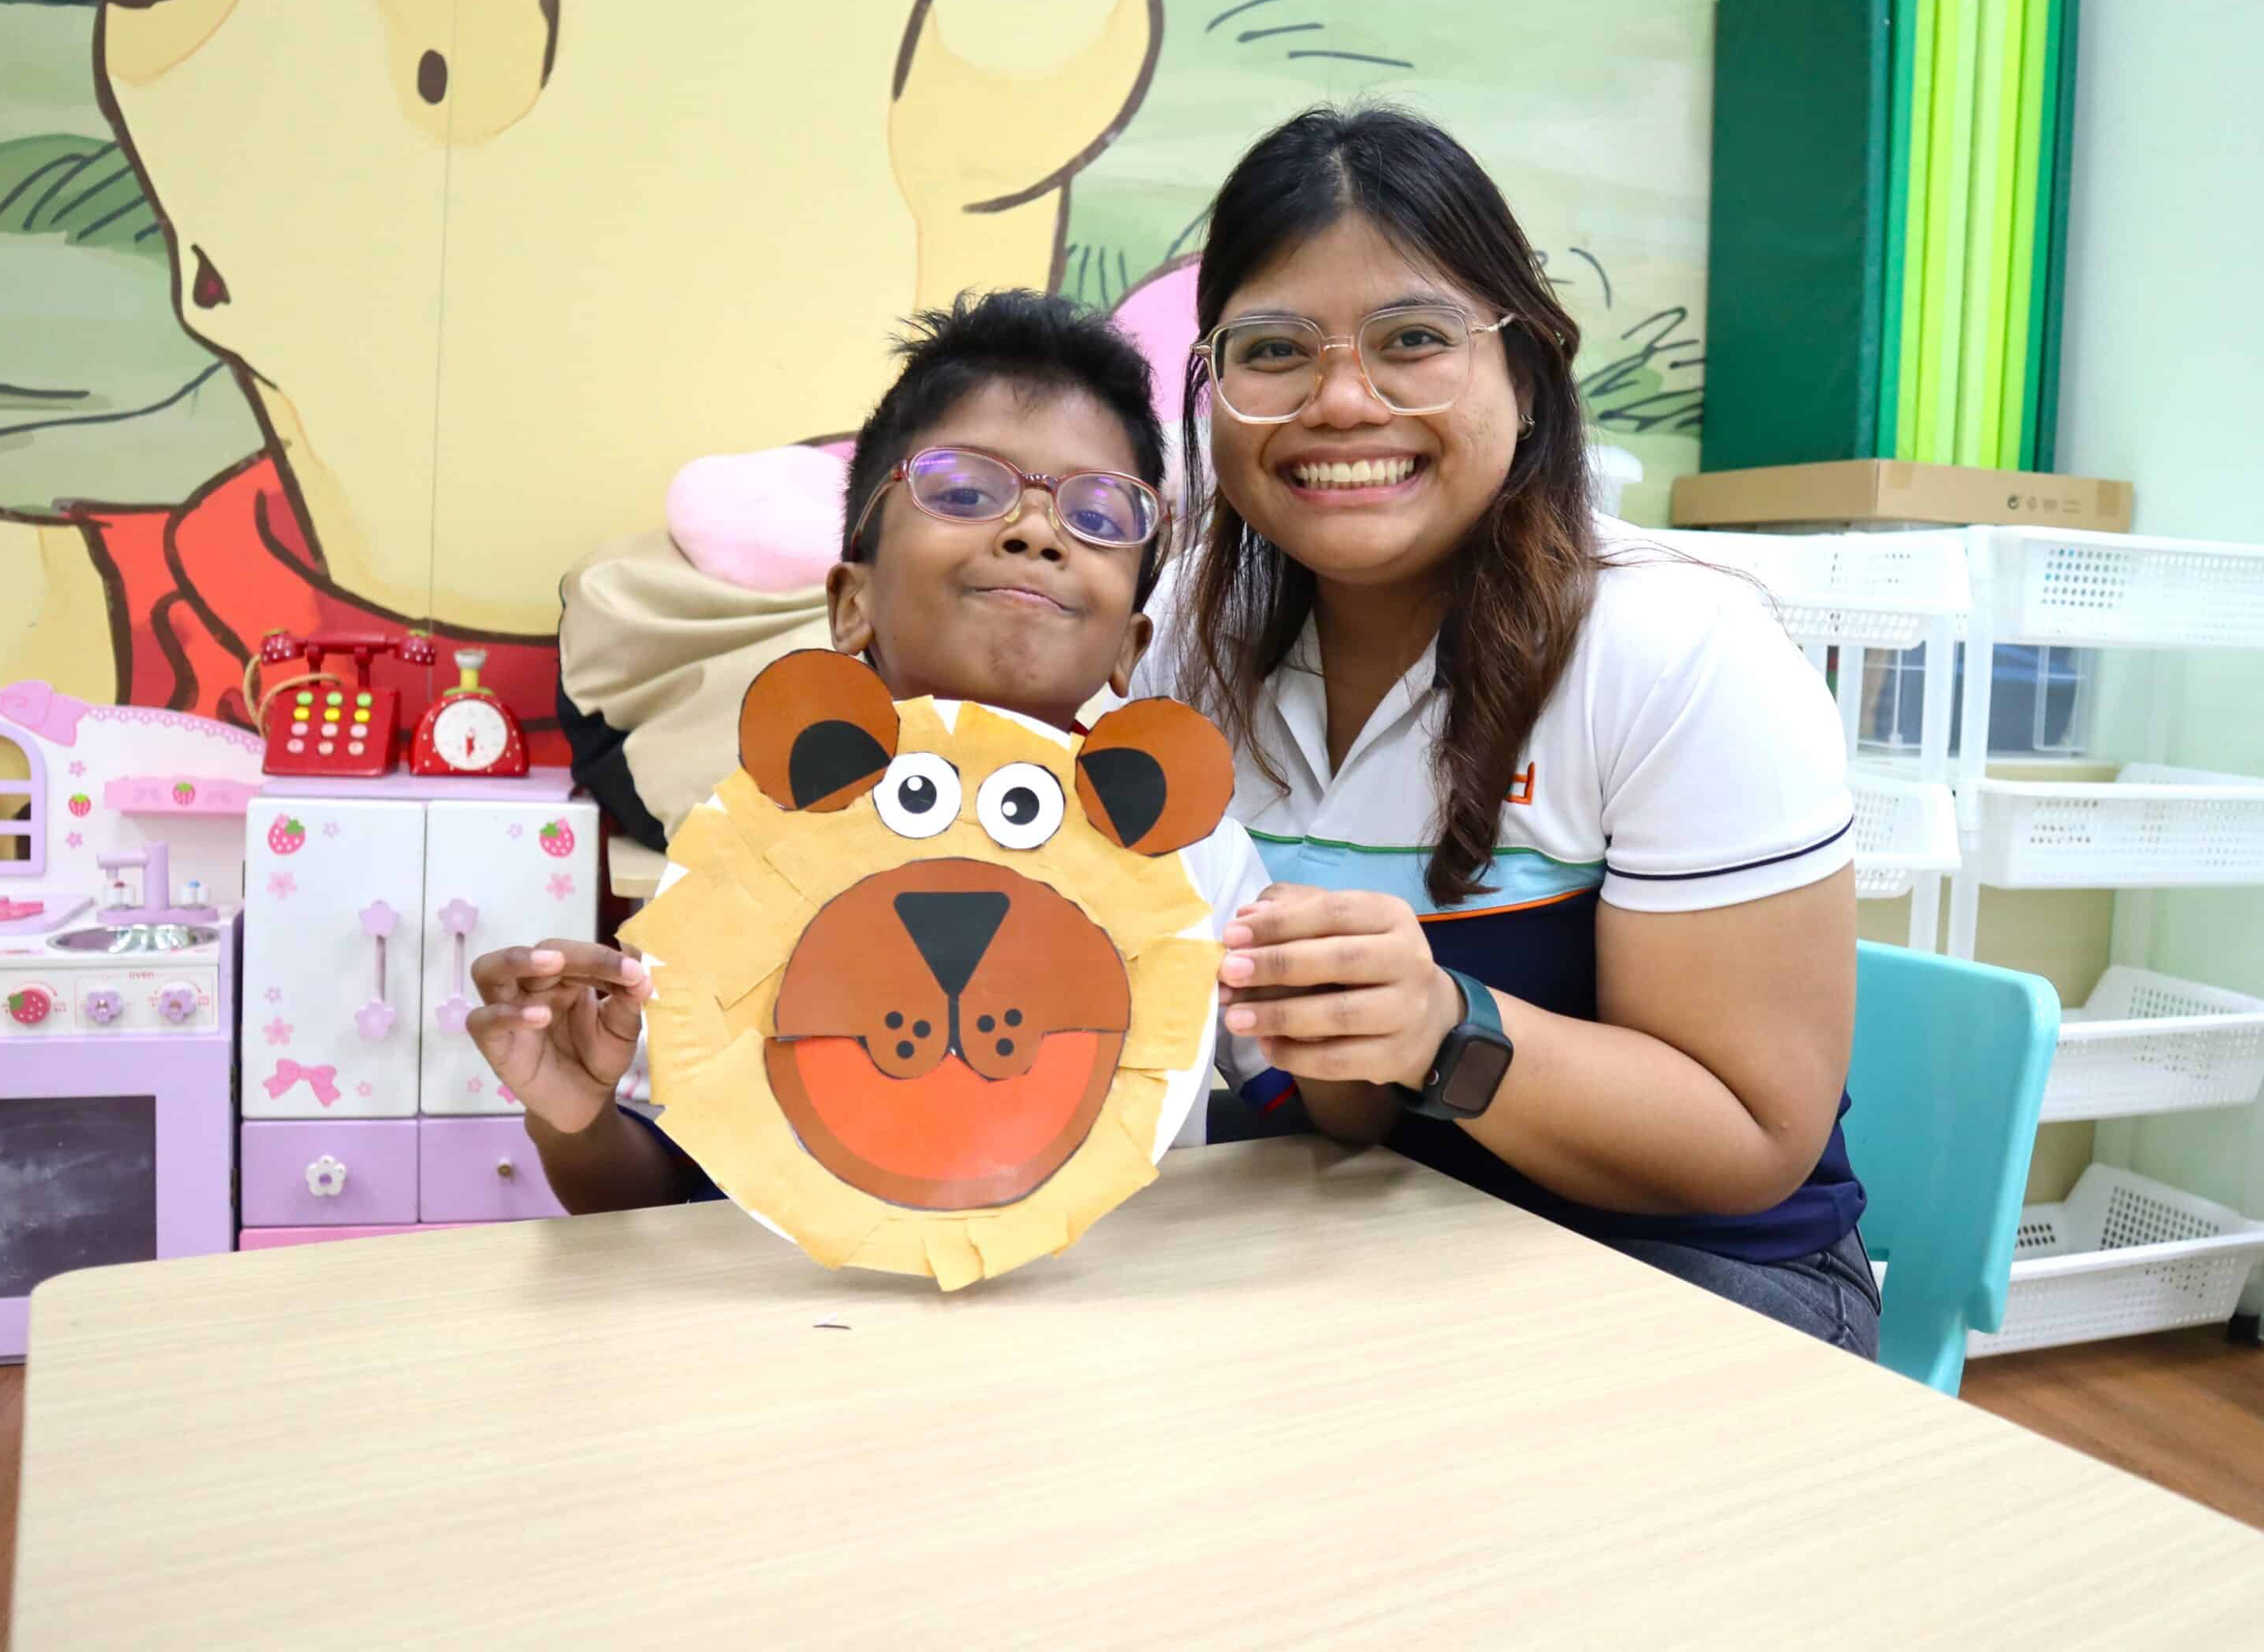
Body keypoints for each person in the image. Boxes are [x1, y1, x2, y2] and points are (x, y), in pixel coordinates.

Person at [1158, 106, 1875, 1355]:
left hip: (1696, 1277)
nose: (1341, 401)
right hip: (1359, 1238)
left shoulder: (1677, 651)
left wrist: (1445, 1029)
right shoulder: (1179, 645)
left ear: (1528, 374)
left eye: (1415, 338)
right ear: (1215, 395)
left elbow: (1754, 1141)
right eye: (1272, 349)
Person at [466, 291, 1289, 1210]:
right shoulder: (753, 846)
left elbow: (1315, 1117)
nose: (1035, 531)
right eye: (966, 491)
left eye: (1100, 514)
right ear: (851, 603)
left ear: (1133, 646)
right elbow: (665, 1200)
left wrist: (1357, 1008)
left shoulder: (1191, 850)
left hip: (1109, 1336)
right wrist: (571, 1117)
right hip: (823, 1339)